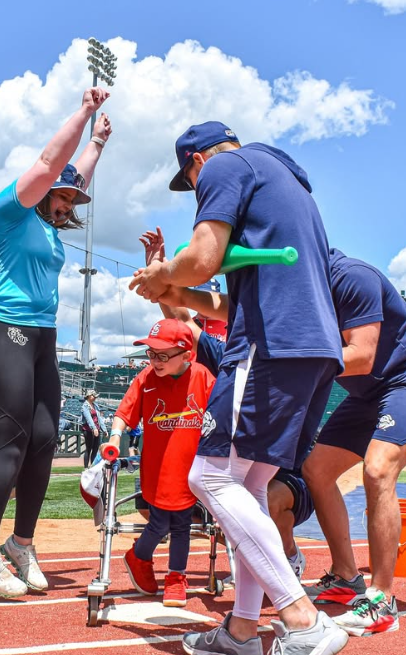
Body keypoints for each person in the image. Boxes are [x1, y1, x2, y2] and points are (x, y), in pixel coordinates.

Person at [131, 122, 348, 655]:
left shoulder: (226, 166)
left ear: (197, 164)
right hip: (308, 347)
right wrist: (174, 286)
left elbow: (203, 256)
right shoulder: (286, 185)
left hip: (269, 345)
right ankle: (243, 630)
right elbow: (226, 303)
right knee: (246, 489)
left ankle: (302, 618)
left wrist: (165, 274)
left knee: (207, 477)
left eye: (191, 183)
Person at [0, 87, 112, 598]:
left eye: (72, 199)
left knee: (44, 437)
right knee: (12, 438)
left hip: (41, 338)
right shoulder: (8, 213)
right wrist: (85, 112)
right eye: (60, 196)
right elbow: (51, 165)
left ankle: (19, 544)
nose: (66, 204)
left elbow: (70, 175)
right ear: (41, 191)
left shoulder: (49, 227)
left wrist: (97, 145)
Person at [139, 228, 312, 584]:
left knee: (268, 496)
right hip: (235, 464)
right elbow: (183, 323)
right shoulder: (225, 356)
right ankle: (250, 582)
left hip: (283, 471)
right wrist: (159, 275)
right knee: (195, 496)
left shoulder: (285, 353)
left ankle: (289, 555)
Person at [303, 249, 406, 636]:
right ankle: (347, 577)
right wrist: (174, 292)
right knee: (315, 470)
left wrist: (292, 358)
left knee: (378, 468)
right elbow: (232, 311)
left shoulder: (351, 276)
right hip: (366, 394)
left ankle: (382, 599)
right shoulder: (296, 283)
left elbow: (362, 356)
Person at [100, 319, 215, 607]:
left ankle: (176, 575)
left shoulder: (203, 377)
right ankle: (141, 556)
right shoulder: (146, 378)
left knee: (182, 524)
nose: (155, 360)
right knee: (162, 521)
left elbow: (220, 416)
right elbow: (124, 413)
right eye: (151, 353)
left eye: (163, 355)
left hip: (190, 469)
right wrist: (115, 438)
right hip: (158, 467)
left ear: (187, 355)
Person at [80, 390, 102, 468]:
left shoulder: (95, 405)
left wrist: (104, 429)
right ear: (89, 396)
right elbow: (88, 418)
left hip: (97, 429)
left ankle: (93, 466)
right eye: (94, 396)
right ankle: (86, 467)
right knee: (88, 449)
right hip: (88, 430)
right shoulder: (85, 406)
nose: (95, 397)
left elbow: (99, 418)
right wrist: (94, 428)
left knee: (95, 449)